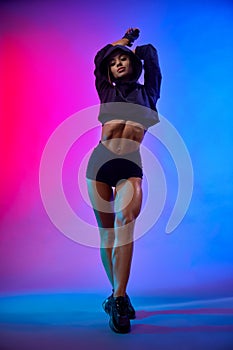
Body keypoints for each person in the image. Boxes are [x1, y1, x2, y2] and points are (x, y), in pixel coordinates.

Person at [86, 28, 162, 333]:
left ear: (134, 65)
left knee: (125, 223)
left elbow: (152, 60)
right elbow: (98, 60)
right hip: (99, 165)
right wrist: (122, 43)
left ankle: (117, 299)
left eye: (124, 60)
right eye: (114, 61)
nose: (118, 63)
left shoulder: (149, 93)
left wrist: (136, 49)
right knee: (107, 235)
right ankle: (119, 293)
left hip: (130, 164)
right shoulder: (106, 90)